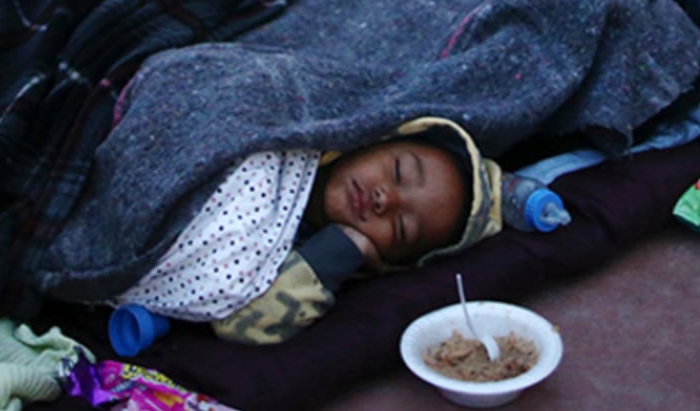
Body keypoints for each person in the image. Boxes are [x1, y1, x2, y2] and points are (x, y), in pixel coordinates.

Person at [115, 116, 500, 344]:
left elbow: (241, 321)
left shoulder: (297, 258)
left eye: (400, 228)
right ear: (380, 137)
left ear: (386, 262)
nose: (386, 199)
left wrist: (343, 249)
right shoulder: (304, 125)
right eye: (398, 171)